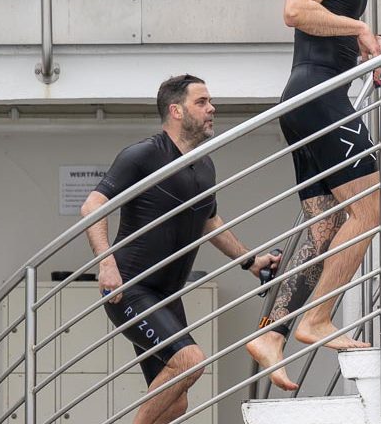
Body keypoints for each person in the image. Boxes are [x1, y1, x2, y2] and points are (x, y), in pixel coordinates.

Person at [244, 0, 381, 391]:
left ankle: (274, 331)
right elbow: (295, 10)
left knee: (323, 226)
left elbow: (324, 21)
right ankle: (317, 319)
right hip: (318, 99)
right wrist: (359, 28)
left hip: (310, 98)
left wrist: (365, 43)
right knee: (370, 205)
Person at [80, 74, 280, 424]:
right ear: (176, 110)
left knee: (176, 404)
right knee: (189, 361)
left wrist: (251, 261)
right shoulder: (143, 155)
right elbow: (92, 206)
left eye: (209, 101)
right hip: (130, 288)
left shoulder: (204, 165)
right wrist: (106, 264)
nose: (211, 108)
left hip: (169, 295)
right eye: (201, 102)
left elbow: (209, 222)